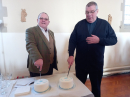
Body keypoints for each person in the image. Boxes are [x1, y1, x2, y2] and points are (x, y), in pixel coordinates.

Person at [67, 1, 117, 97]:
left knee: (96, 88)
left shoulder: (105, 24)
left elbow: (114, 40)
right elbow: (72, 40)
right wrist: (71, 55)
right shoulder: (79, 25)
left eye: (92, 11)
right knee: (79, 87)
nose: (89, 14)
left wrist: (99, 40)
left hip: (96, 64)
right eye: (87, 12)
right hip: (81, 63)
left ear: (97, 11)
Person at [25, 12, 58, 77]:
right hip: (37, 67)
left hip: (50, 66)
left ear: (48, 22)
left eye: (46, 19)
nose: (43, 20)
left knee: (49, 84)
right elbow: (30, 45)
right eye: (41, 18)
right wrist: (37, 58)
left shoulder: (51, 33)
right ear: (37, 20)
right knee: (37, 86)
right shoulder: (31, 31)